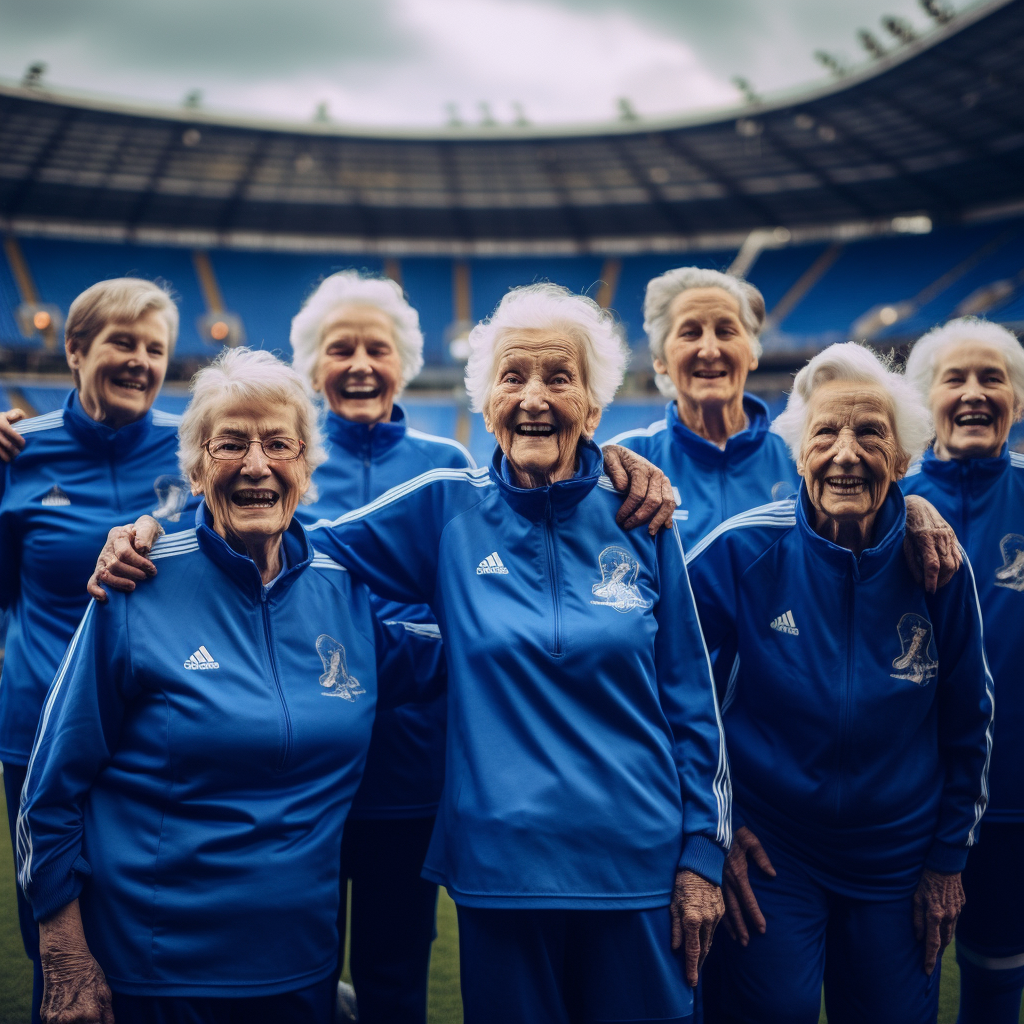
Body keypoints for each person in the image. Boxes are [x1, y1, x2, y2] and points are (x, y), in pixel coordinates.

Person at [17, 348, 446, 1024]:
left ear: (306, 466)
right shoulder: (136, 582)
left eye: (278, 443)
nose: (255, 465)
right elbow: (49, 791)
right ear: (194, 468)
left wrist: (592, 480)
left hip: (302, 967)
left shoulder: (347, 590)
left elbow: (482, 650)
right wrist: (63, 949)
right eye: (231, 444)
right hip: (158, 973)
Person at [687, 342, 993, 1024]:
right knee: (773, 1012)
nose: (846, 453)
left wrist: (947, 861)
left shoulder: (941, 566)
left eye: (870, 433)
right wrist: (716, 828)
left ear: (905, 460)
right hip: (774, 852)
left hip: (898, 856)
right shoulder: (740, 550)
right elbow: (659, 683)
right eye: (825, 432)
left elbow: (971, 719)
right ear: (798, 453)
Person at [0, 278, 197, 1023]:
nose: (140, 361)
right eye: (123, 341)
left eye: (156, 348)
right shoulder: (17, 453)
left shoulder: (194, 449)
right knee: (53, 944)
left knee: (156, 940)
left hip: (155, 735)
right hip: (39, 736)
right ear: (75, 350)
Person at [289, 271, 474, 1024]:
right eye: (341, 349)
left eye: (377, 347)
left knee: (396, 977)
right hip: (300, 770)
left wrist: (379, 652)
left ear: (402, 361)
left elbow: (473, 610)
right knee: (300, 973)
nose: (361, 363)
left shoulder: (450, 466)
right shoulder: (282, 456)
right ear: (312, 366)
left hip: (410, 773)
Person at [609, 266, 960, 590]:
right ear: (659, 358)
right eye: (690, 333)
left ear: (752, 352)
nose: (710, 349)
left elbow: (880, 496)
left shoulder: (810, 451)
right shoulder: (628, 460)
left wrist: (914, 505)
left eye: (726, 331)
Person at [902, 317, 1024, 1024]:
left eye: (992, 377)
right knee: (896, 981)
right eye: (956, 378)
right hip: (904, 806)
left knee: (995, 976)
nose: (975, 393)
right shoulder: (887, 502)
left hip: (1013, 803)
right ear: (927, 398)